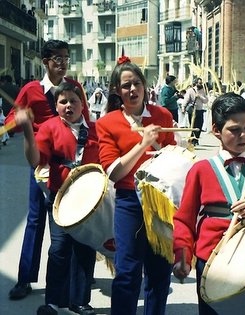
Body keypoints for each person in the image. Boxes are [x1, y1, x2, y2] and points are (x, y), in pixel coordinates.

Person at [172, 92, 245, 314]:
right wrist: (182, 256)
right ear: (216, 130)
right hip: (211, 258)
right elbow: (185, 218)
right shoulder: (201, 169)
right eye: (234, 130)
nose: (243, 135)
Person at [5, 39, 89, 301]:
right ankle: (25, 279)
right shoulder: (31, 90)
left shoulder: (74, 87)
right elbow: (12, 121)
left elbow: (85, 120)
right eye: (57, 59)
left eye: (66, 58)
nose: (63, 63)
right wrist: (20, 120)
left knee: (73, 220)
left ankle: (75, 279)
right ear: (45, 62)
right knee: (35, 220)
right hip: (41, 163)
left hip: (70, 163)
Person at [96, 56, 175, 315]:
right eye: (126, 85)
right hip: (129, 200)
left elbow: (172, 159)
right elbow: (114, 173)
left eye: (137, 84)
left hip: (160, 200)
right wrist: (142, 143)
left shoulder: (162, 114)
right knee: (127, 271)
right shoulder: (107, 123)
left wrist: (170, 148)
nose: (132, 90)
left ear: (145, 86)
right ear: (117, 91)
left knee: (159, 270)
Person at [14, 82, 97, 315]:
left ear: (83, 104)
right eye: (63, 101)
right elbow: (35, 160)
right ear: (57, 106)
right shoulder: (50, 127)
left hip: (88, 202)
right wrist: (29, 131)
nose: (69, 105)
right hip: (60, 198)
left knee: (84, 249)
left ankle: (80, 301)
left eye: (74, 100)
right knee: (59, 249)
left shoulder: (95, 129)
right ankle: (52, 301)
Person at [181, 77, 208, 145]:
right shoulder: (190, 90)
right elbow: (186, 99)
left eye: (201, 83)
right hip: (192, 111)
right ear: (196, 83)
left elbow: (206, 101)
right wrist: (183, 107)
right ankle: (193, 139)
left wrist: (200, 96)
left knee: (200, 125)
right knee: (193, 125)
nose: (201, 84)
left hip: (200, 110)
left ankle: (197, 138)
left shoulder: (202, 90)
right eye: (199, 83)